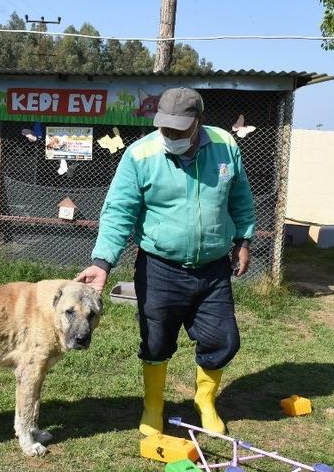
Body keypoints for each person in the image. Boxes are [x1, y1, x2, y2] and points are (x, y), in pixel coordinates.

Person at [75, 87, 255, 436]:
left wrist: (243, 240)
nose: (169, 135)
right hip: (160, 267)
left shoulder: (225, 146)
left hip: (213, 268)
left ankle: (205, 401)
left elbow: (240, 197)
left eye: (178, 129)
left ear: (198, 122)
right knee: (156, 341)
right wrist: (102, 261)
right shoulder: (140, 155)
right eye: (164, 128)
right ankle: (153, 406)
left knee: (224, 339)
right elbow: (119, 212)